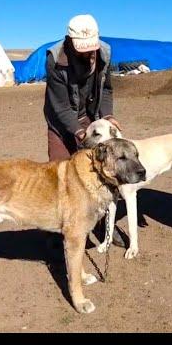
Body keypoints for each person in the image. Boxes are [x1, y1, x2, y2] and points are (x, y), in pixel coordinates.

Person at [43, 14, 124, 247]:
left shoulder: (104, 54)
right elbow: (60, 106)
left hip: (92, 116)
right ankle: (59, 232)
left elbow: (106, 89)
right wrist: (80, 134)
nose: (90, 53)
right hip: (61, 121)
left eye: (92, 48)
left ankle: (104, 226)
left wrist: (107, 116)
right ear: (70, 41)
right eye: (84, 49)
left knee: (101, 172)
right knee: (60, 174)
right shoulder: (55, 59)